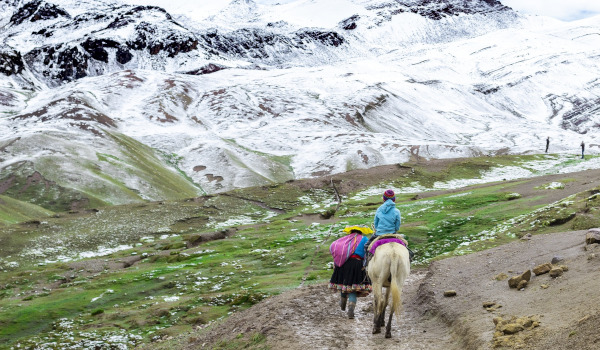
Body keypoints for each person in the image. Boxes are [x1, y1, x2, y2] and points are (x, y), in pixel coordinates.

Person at [328, 226, 373, 319]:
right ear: (361, 232)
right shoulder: (364, 239)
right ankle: (351, 309)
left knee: (344, 283)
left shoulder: (345, 239)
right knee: (353, 287)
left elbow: (334, 246)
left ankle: (343, 300)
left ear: (350, 231)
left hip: (343, 263)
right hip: (357, 264)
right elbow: (368, 252)